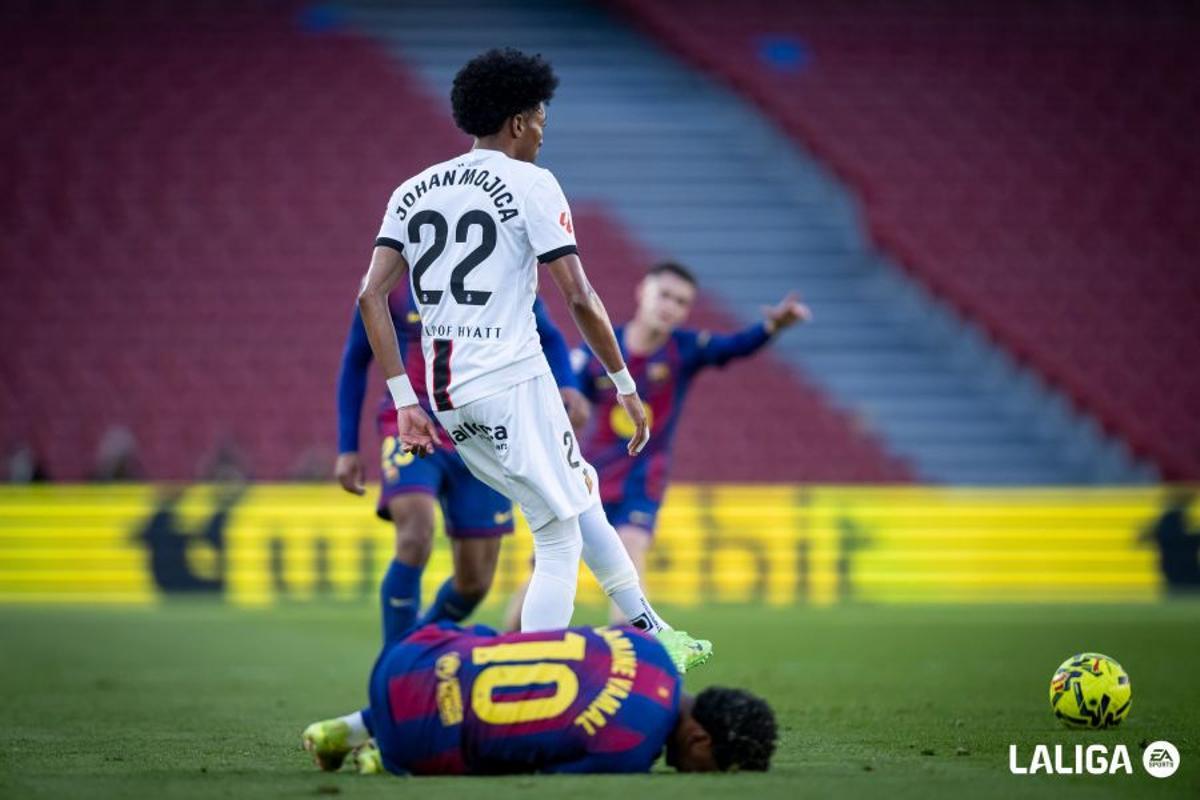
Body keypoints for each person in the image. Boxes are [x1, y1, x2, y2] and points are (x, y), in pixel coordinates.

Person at [354, 47, 709, 670]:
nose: (545, 130)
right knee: (556, 532)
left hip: (446, 395)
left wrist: (405, 400)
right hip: (510, 377)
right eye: (541, 116)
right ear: (518, 121)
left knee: (580, 493)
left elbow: (370, 295)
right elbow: (580, 295)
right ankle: (532, 681)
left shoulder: (411, 191)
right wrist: (623, 380)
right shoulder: (531, 183)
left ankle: (656, 632)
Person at [506, 262, 811, 627]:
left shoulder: (684, 350)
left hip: (641, 482)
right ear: (643, 293)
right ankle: (507, 649)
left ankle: (633, 664)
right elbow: (566, 402)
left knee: (630, 561)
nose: (670, 306)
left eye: (681, 302)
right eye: (664, 295)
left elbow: (734, 347)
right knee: (547, 567)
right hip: (590, 477)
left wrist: (770, 328)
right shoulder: (601, 348)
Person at [335, 287, 589, 643]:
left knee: (474, 582)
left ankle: (414, 653)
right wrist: (347, 447)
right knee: (415, 532)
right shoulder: (391, 282)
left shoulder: (499, 268)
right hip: (412, 420)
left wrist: (568, 385)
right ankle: (393, 669)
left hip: (485, 428)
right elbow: (356, 358)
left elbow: (549, 335)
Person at [301, 623, 776, 775]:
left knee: (489, 642)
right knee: (521, 746)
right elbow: (540, 772)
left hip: (408, 657)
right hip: (421, 746)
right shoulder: (632, 749)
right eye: (720, 766)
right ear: (699, 737)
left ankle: (350, 727)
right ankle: (385, 758)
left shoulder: (647, 645)